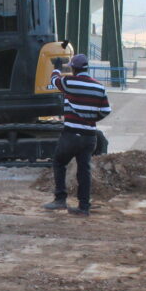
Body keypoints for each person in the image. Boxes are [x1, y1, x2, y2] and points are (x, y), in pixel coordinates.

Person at [43, 54, 111, 216]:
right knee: (84, 170)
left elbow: (54, 81)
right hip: (89, 137)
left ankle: (60, 199)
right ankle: (84, 207)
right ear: (87, 68)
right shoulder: (99, 87)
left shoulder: (69, 82)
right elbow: (106, 110)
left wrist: (57, 68)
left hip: (71, 135)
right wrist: (92, 118)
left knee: (59, 163)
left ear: (74, 68)